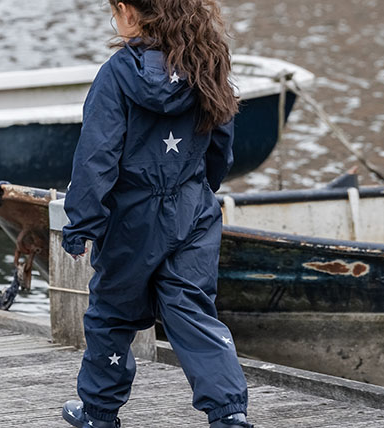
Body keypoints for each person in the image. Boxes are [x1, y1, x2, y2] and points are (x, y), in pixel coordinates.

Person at [59, 0, 252, 427]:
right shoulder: (207, 61)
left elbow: (97, 156)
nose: (115, 20)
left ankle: (98, 412)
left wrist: (82, 223)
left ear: (129, 11)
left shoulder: (117, 74)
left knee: (112, 313)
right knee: (192, 309)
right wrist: (204, 187)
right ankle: (228, 412)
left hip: (133, 217)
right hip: (192, 210)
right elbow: (221, 137)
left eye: (114, 11)